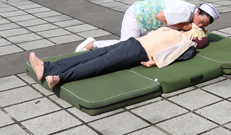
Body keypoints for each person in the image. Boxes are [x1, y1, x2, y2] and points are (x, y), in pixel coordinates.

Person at [30, 25, 209, 89]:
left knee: (101, 62)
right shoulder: (177, 31)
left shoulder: (189, 45)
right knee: (94, 54)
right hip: (133, 43)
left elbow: (175, 55)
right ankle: (48, 67)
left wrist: (154, 61)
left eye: (199, 29)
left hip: (139, 52)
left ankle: (59, 78)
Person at [75, 0, 219, 52]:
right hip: (137, 14)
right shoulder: (186, 11)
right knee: (127, 44)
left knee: (142, 44)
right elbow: (159, 16)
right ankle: (92, 44)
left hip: (148, 21)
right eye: (201, 21)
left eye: (203, 25)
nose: (199, 25)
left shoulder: (193, 15)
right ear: (198, 11)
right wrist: (183, 25)